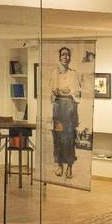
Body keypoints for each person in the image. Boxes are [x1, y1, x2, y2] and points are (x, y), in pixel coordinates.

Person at [46, 46, 81, 179]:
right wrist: (62, 91)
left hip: (70, 111)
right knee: (59, 138)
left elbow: (76, 93)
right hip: (58, 111)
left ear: (70, 57)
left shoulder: (73, 74)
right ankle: (60, 165)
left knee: (70, 139)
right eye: (63, 55)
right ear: (59, 57)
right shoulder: (54, 73)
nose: (65, 57)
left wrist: (66, 92)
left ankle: (69, 167)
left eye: (67, 55)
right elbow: (53, 92)